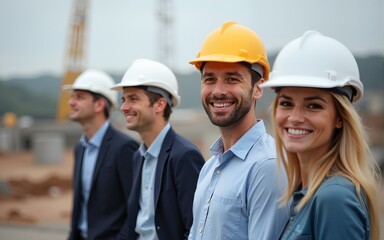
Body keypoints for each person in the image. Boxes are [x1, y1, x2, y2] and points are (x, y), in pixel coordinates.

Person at [260, 30, 381, 240]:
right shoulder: (306, 193)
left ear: (340, 118)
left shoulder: (334, 198)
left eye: (313, 106)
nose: (295, 117)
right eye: (287, 103)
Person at [188, 21, 290, 240]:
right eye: (210, 79)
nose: (218, 91)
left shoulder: (267, 167)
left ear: (258, 88)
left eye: (232, 79)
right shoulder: (209, 167)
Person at [111, 58, 205, 240]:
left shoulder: (184, 156)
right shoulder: (139, 157)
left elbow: (195, 229)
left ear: (160, 105)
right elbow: (134, 223)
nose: (124, 107)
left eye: (133, 99)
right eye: (123, 100)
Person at [63, 69, 139, 240]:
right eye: (72, 96)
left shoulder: (124, 148)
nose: (71, 102)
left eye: (79, 97)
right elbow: (80, 206)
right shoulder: (80, 148)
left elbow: (134, 208)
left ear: (99, 105)